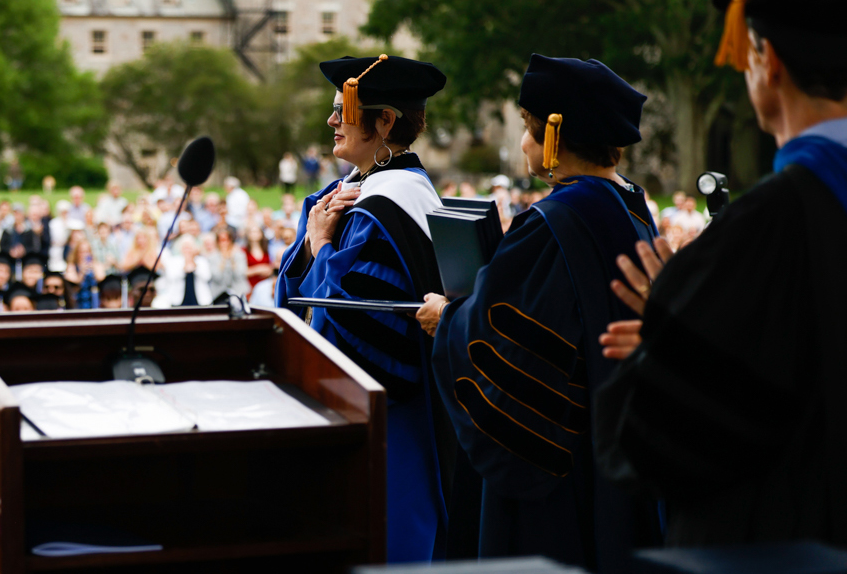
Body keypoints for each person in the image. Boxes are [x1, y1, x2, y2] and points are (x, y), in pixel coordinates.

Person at [594, 0, 847, 549]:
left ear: (768, 62)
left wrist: (669, 335)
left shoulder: (768, 223)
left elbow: (660, 444)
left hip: (791, 540)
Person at [415, 55, 660, 572]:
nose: (525, 143)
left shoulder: (551, 224)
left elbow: (504, 345)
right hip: (622, 452)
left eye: (528, 129)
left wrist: (450, 319)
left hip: (555, 474)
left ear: (554, 137)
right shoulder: (634, 211)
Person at [277, 54, 449, 562]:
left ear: (385, 121)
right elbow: (292, 296)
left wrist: (322, 248)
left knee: (388, 544)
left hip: (388, 425)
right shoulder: (362, 192)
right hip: (405, 418)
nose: (331, 121)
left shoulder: (380, 207)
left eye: (342, 110)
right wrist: (313, 247)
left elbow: (350, 332)